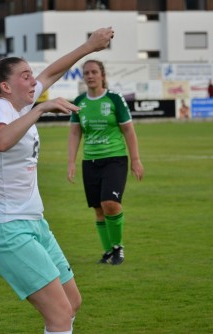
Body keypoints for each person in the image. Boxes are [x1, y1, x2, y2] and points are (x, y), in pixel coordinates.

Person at [0, 27, 114, 334]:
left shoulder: (19, 106)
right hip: (9, 229)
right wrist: (43, 108)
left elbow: (53, 71)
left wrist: (88, 46)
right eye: (25, 76)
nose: (33, 80)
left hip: (34, 224)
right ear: (6, 86)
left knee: (71, 301)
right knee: (60, 314)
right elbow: (2, 141)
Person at [67, 59, 144, 265]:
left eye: (94, 72)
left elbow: (128, 129)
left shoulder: (114, 99)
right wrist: (71, 162)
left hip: (114, 159)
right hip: (90, 161)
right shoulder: (80, 102)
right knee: (98, 209)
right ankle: (108, 250)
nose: (90, 76)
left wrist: (135, 159)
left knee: (110, 203)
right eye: (86, 73)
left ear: (102, 75)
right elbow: (75, 133)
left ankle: (118, 247)